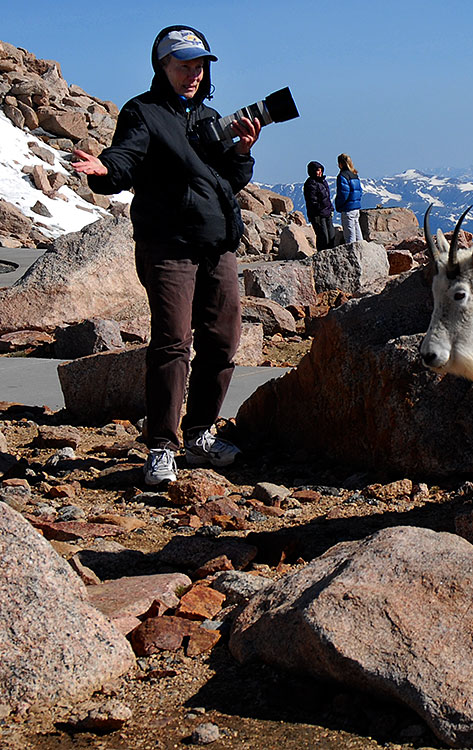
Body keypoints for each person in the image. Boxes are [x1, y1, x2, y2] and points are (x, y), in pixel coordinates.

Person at [68, 25, 262, 486]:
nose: (192, 75)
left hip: (217, 245)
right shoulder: (144, 112)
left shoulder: (210, 117)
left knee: (222, 340)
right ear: (163, 67)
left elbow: (225, 184)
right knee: (173, 341)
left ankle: (199, 432)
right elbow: (125, 159)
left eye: (199, 66)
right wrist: (103, 171)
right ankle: (161, 446)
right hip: (168, 246)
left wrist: (242, 152)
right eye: (183, 66)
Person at [303, 160, 335, 250]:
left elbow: (327, 197)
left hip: (327, 212)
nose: (319, 172)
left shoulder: (323, 182)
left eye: (320, 170)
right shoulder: (310, 183)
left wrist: (330, 208)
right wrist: (320, 209)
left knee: (331, 235)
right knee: (323, 236)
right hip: (318, 214)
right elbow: (312, 201)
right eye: (317, 170)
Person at [335, 152, 363, 244]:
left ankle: (352, 253)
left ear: (340, 164)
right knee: (357, 231)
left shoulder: (343, 176)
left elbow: (344, 193)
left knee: (350, 235)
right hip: (356, 208)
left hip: (347, 208)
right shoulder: (355, 175)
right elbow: (360, 191)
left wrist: (339, 205)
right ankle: (362, 250)